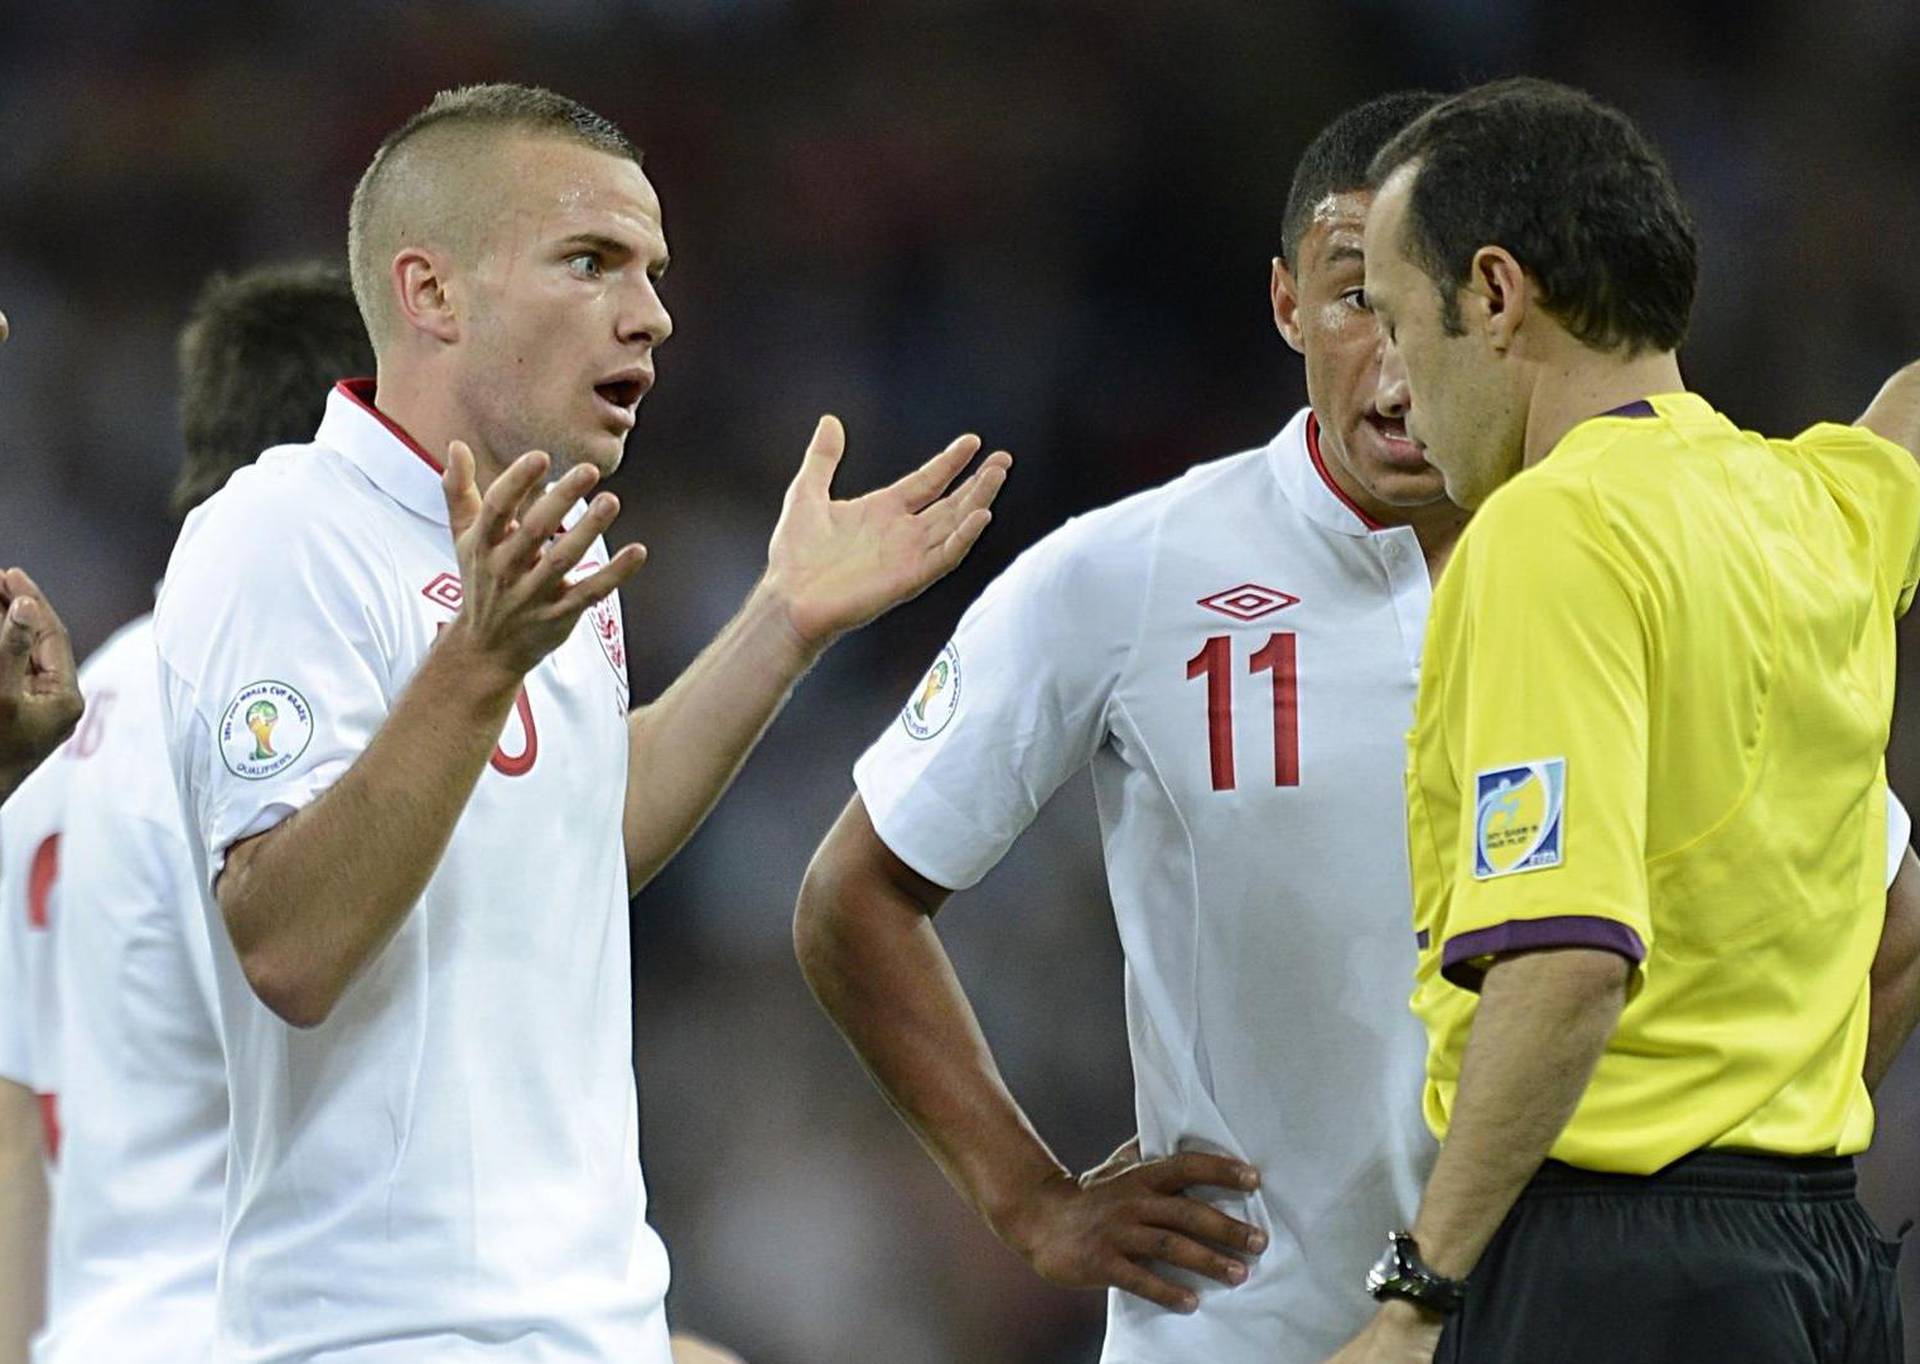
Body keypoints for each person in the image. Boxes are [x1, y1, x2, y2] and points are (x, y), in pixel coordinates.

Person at [152, 83, 1007, 1363]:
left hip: (586, 1321)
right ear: (432, 294)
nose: (653, 312)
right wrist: (480, 660)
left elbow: (575, 842)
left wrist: (783, 621)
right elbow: (288, 945)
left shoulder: (534, 554)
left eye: (655, 271)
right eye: (592, 260)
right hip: (385, 1333)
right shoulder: (281, 534)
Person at [795, 93, 1469, 1364]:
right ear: (1284, 306)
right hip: (1242, 1338)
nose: (1395, 359)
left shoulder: (1613, 572)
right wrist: (1029, 1197)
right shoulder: (1132, 571)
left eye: (1432, 298)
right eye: (1352, 297)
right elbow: (851, 896)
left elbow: (1884, 918)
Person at [1329, 76, 1920, 1364]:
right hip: (1824, 1260)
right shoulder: (1817, 508)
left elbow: (1567, 962)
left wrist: (1414, 1294)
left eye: (1390, 314)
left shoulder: (1555, 530)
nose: (1393, 377)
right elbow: (1903, 924)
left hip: (1608, 1276)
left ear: (1495, 293)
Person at [28, 262, 374, 1364]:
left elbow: (11, 1103)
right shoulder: (299, 709)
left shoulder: (65, 715)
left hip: (96, 1325)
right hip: (276, 1325)